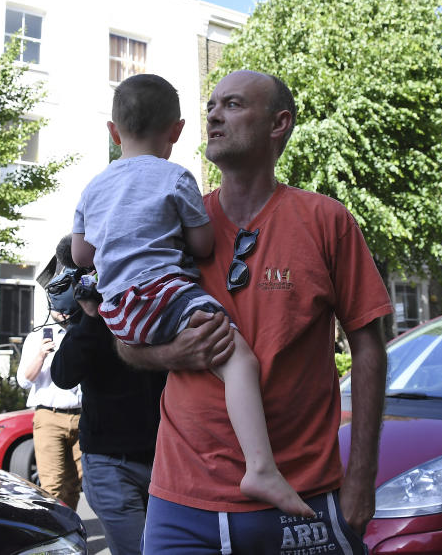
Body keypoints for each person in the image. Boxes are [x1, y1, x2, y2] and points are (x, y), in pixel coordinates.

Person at [117, 70, 391, 554]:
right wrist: (172, 353)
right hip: (182, 500)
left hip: (301, 497)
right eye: (211, 106)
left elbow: (368, 347)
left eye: (234, 104)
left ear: (278, 123)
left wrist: (362, 477)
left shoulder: (326, 221)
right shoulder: (170, 219)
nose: (214, 115)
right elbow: (125, 337)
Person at [71, 73, 313, 518]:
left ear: (112, 131)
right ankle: (260, 466)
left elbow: (81, 252)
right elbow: (203, 246)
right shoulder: (175, 177)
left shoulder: (94, 186)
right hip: (160, 292)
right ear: (177, 131)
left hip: (119, 310)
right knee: (239, 360)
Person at [49, 236, 167, 555]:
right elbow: (62, 375)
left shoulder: (152, 302)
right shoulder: (88, 321)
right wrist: (90, 317)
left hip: (163, 457)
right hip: (110, 463)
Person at [16, 268, 83, 509]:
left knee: (78, 484)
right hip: (49, 417)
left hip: (82, 416)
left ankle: (71, 532)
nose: (59, 310)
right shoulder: (36, 338)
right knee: (52, 486)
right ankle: (54, 540)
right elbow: (24, 381)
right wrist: (41, 356)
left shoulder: (82, 331)